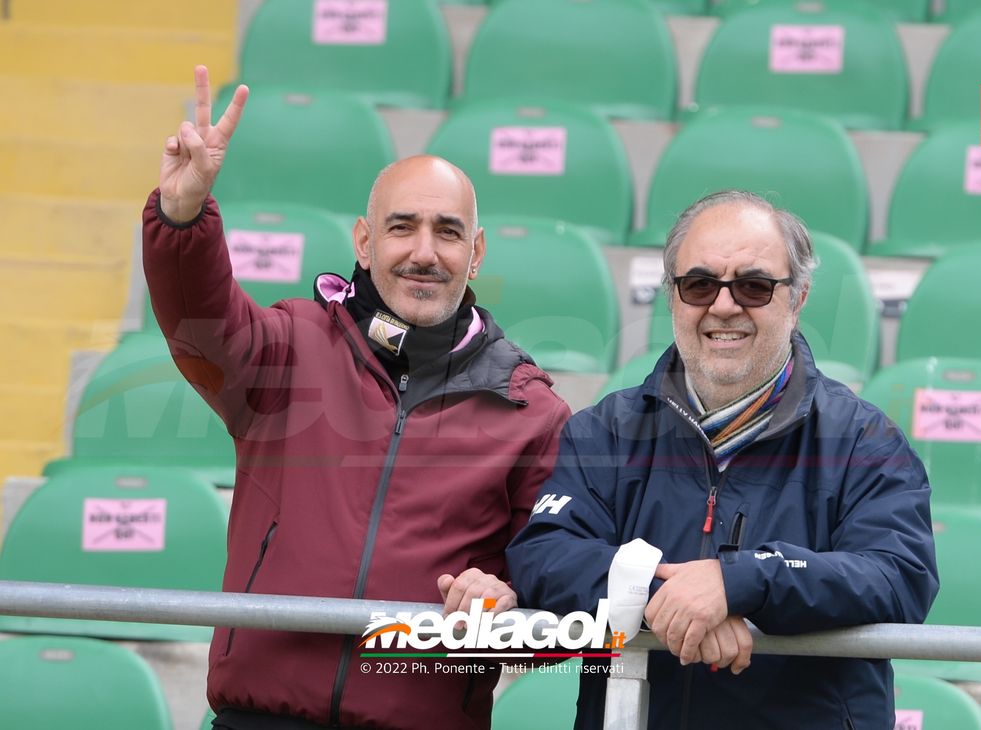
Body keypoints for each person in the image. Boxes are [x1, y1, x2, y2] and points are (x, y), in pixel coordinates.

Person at [143, 66, 570, 729]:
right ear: (365, 244)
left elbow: (560, 582)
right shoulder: (289, 350)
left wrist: (509, 596)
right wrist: (183, 212)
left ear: (477, 252)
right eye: (401, 228)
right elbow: (196, 320)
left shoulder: (531, 411)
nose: (424, 252)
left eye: (448, 232)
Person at [506, 191, 939, 729]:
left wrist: (743, 580)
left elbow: (900, 575)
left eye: (754, 286)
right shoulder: (605, 431)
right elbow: (543, 557)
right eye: (700, 284)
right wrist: (670, 599)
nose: (724, 306)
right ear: (672, 296)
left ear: (797, 298)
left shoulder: (865, 439)